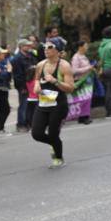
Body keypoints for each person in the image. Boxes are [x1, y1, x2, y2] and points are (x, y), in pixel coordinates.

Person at [32, 38, 75, 169]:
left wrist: (55, 81)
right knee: (37, 134)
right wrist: (37, 85)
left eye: (50, 47)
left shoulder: (64, 66)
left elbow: (70, 88)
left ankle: (58, 157)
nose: (46, 49)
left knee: (53, 134)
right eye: (45, 46)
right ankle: (55, 144)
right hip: (44, 102)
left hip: (59, 105)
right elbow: (36, 80)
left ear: (58, 50)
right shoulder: (40, 65)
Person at [69, 40, 96, 125]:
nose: (87, 47)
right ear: (80, 47)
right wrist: (88, 68)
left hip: (87, 81)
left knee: (87, 99)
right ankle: (83, 117)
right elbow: (74, 71)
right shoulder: (76, 57)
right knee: (83, 99)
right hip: (81, 81)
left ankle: (84, 116)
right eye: (85, 46)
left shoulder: (83, 56)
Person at [11, 39, 35, 131]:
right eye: (27, 46)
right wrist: (22, 87)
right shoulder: (16, 59)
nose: (29, 47)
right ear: (21, 47)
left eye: (29, 45)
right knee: (23, 105)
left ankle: (29, 122)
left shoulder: (31, 56)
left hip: (32, 84)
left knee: (31, 104)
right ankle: (21, 124)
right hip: (23, 85)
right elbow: (17, 76)